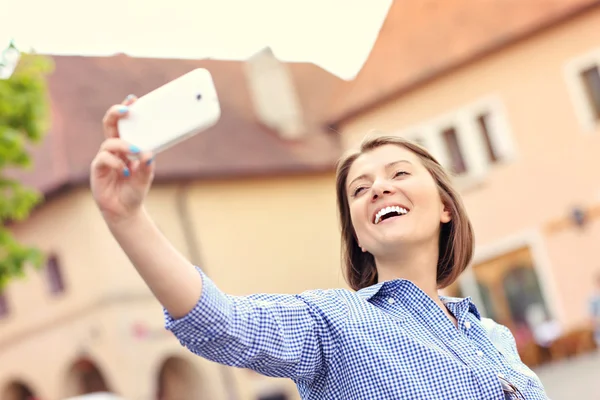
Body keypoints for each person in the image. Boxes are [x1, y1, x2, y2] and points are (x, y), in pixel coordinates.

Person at [91, 96, 549, 400]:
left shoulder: (491, 336)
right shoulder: (330, 323)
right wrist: (127, 218)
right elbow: (221, 322)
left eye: (400, 173)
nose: (379, 189)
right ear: (360, 236)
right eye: (360, 188)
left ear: (446, 206)